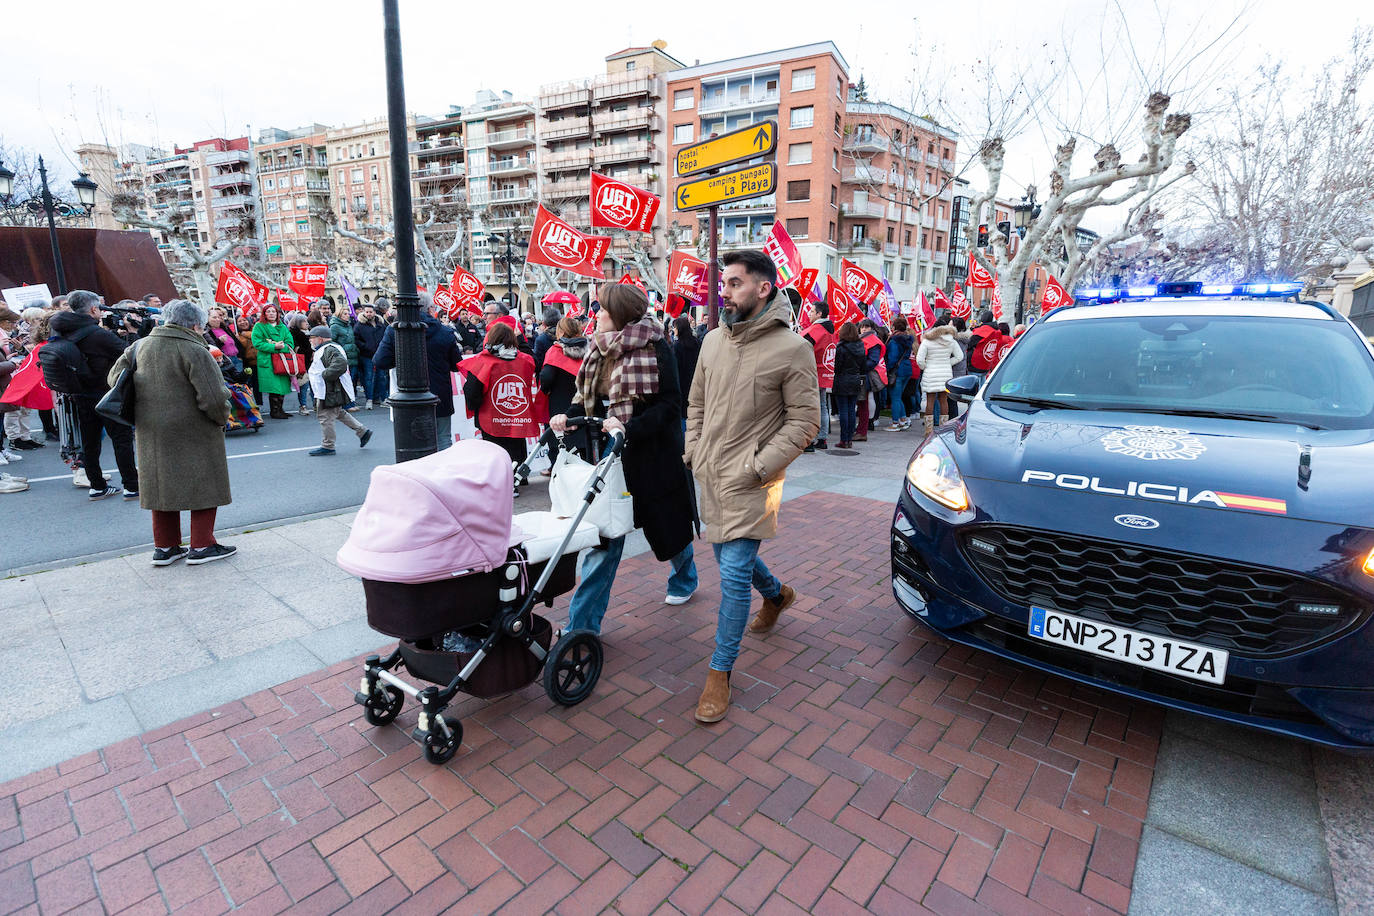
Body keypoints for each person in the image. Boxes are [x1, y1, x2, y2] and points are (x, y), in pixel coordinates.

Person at [685, 249, 818, 724]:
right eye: (724, 283)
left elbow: (805, 423)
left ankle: (719, 672)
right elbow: (696, 401)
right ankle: (778, 594)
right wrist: (693, 448)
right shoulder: (712, 341)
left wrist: (759, 467)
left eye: (735, 283)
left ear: (764, 288)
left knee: (733, 574)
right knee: (729, 556)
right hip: (710, 474)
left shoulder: (793, 348)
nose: (725, 291)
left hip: (753, 480)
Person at [548, 282, 699, 633]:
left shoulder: (657, 347)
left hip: (651, 458)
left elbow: (670, 403)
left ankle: (685, 574)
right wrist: (566, 417)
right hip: (607, 462)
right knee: (605, 541)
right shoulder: (596, 350)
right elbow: (584, 398)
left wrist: (631, 428)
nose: (596, 314)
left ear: (620, 314)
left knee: (667, 530)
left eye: (602, 309)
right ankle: (582, 628)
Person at [107, 299, 235, 565]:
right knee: (204, 484)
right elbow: (212, 397)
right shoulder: (194, 349)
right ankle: (201, 546)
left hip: (150, 429)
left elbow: (114, 379)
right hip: (194, 428)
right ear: (196, 324)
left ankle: (165, 548)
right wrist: (222, 417)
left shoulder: (139, 346)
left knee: (161, 486)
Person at [48, 292, 141, 501]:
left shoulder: (62, 330)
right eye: (99, 307)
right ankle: (131, 485)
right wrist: (132, 332)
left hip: (79, 394)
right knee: (121, 439)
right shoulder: (97, 334)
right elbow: (131, 354)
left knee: (89, 442)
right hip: (106, 394)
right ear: (92, 310)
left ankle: (97, 486)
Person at [373, 292, 462, 450]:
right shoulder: (445, 332)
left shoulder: (395, 330)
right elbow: (457, 365)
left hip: (408, 395)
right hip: (439, 393)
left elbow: (380, 361)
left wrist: (401, 359)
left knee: (412, 443)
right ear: (430, 309)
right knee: (442, 438)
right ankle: (444, 473)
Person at [461, 323, 536, 481]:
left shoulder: (484, 361)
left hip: (491, 415)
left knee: (496, 450)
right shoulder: (524, 360)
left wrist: (475, 406)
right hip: (517, 414)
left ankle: (504, 482)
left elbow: (472, 389)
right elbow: (532, 363)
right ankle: (519, 478)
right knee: (517, 443)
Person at [306, 326, 373, 456]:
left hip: (329, 390)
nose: (310, 341)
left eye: (312, 338)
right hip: (330, 389)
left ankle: (328, 446)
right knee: (338, 412)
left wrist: (325, 375)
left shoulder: (328, 349)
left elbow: (340, 364)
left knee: (325, 417)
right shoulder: (329, 348)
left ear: (320, 339)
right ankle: (362, 431)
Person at [537, 316, 586, 476]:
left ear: (562, 332)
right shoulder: (588, 348)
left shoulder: (556, 350)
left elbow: (547, 377)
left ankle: (561, 475)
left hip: (560, 403)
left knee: (560, 443)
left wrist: (545, 389)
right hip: (584, 403)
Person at [916, 316, 965, 430]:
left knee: (930, 402)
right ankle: (944, 429)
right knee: (944, 401)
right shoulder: (951, 341)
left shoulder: (927, 340)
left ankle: (928, 430)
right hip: (946, 374)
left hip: (930, 374)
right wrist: (948, 363)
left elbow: (919, 359)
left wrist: (925, 366)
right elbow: (960, 356)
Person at [800, 299, 835, 451]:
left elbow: (800, 348)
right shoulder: (832, 331)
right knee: (822, 406)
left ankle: (809, 441)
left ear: (819, 314)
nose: (809, 313)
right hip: (825, 373)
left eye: (811, 311)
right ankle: (822, 438)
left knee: (810, 408)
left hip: (812, 373)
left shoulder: (816, 330)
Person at [251, 305, 296, 419]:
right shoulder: (259, 326)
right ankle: (275, 411)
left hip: (282, 360)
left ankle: (280, 409)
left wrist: (283, 347)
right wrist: (274, 346)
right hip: (268, 360)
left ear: (277, 314)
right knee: (274, 387)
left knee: (283, 386)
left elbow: (290, 341)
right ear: (264, 314)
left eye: (273, 312)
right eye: (268, 311)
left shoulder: (282, 326)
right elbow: (257, 343)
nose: (271, 313)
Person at [831, 322, 866, 450]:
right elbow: (863, 366)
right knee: (851, 410)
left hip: (842, 379)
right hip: (855, 379)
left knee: (843, 411)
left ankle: (843, 439)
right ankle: (849, 439)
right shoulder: (861, 346)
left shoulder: (841, 347)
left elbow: (837, 367)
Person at [881, 316, 916, 431]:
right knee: (898, 396)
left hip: (897, 371)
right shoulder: (907, 338)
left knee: (895, 397)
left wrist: (888, 369)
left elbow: (892, 358)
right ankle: (902, 420)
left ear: (894, 326)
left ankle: (895, 423)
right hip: (906, 368)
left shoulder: (894, 340)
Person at [352, 303, 387, 409]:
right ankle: (369, 399)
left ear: (374, 312)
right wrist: (366, 346)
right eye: (366, 312)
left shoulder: (381, 324)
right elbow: (356, 339)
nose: (368, 314)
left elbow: (386, 337)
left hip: (380, 354)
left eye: (370, 312)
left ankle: (382, 398)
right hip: (367, 355)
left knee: (381, 377)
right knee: (369, 378)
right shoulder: (359, 325)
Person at [671, 315, 700, 434]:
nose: (673, 330)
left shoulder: (677, 346)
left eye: (674, 327)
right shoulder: (697, 342)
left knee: (682, 417)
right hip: (696, 382)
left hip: (681, 385)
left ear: (680, 329)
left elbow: (675, 368)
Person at [967, 309, 1000, 380]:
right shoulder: (996, 330)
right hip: (986, 364)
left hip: (975, 363)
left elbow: (969, 344)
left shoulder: (983, 330)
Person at [532, 307, 560, 374]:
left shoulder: (540, 339)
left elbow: (537, 364)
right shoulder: (567, 335)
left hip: (546, 375)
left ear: (543, 323)